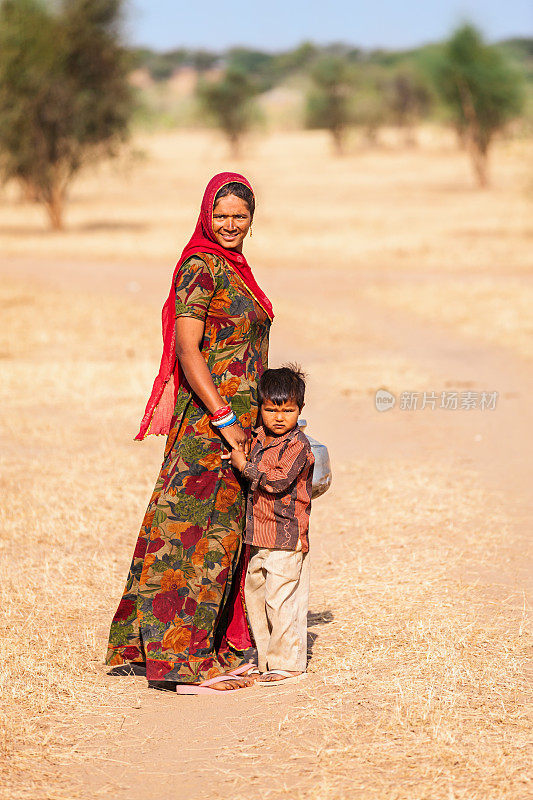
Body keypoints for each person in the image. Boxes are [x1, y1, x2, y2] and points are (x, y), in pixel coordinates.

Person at [106, 172, 274, 694]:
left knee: (204, 536)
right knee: (197, 540)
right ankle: (183, 662)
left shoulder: (235, 269)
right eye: (220, 215)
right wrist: (226, 422)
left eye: (239, 216)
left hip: (238, 424)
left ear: (251, 219)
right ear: (206, 215)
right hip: (211, 427)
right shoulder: (202, 267)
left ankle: (150, 647)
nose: (229, 225)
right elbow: (188, 349)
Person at [230, 365, 314, 686]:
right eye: (271, 409)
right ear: (261, 408)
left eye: (288, 411)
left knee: (282, 598)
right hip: (258, 534)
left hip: (286, 534)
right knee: (256, 595)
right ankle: (267, 659)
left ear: (300, 410)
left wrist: (245, 466)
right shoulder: (259, 438)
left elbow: (277, 482)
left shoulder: (298, 445)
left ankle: (289, 663)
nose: (279, 418)